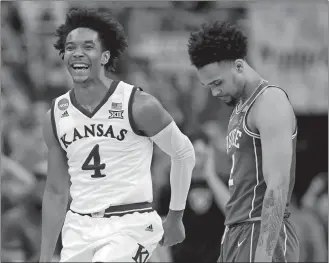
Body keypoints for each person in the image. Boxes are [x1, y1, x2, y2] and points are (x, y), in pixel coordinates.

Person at [39, 8, 195, 263]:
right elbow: (56, 191)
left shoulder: (139, 104)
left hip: (131, 222)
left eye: (88, 46)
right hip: (79, 227)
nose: (77, 53)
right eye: (70, 47)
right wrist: (45, 257)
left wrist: (176, 215)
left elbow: (184, 153)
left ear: (105, 56)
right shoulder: (55, 115)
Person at [187, 21, 299, 262]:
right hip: (236, 231)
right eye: (208, 86)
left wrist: (264, 253)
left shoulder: (270, 101)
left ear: (239, 66)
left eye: (217, 83)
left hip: (261, 231)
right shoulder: (240, 109)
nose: (214, 92)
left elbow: (277, 187)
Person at [157, 131, 229, 263]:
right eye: (193, 153)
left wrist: (210, 175)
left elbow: (233, 213)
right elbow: (160, 231)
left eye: (202, 154)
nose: (197, 159)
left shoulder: (222, 184)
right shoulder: (171, 188)